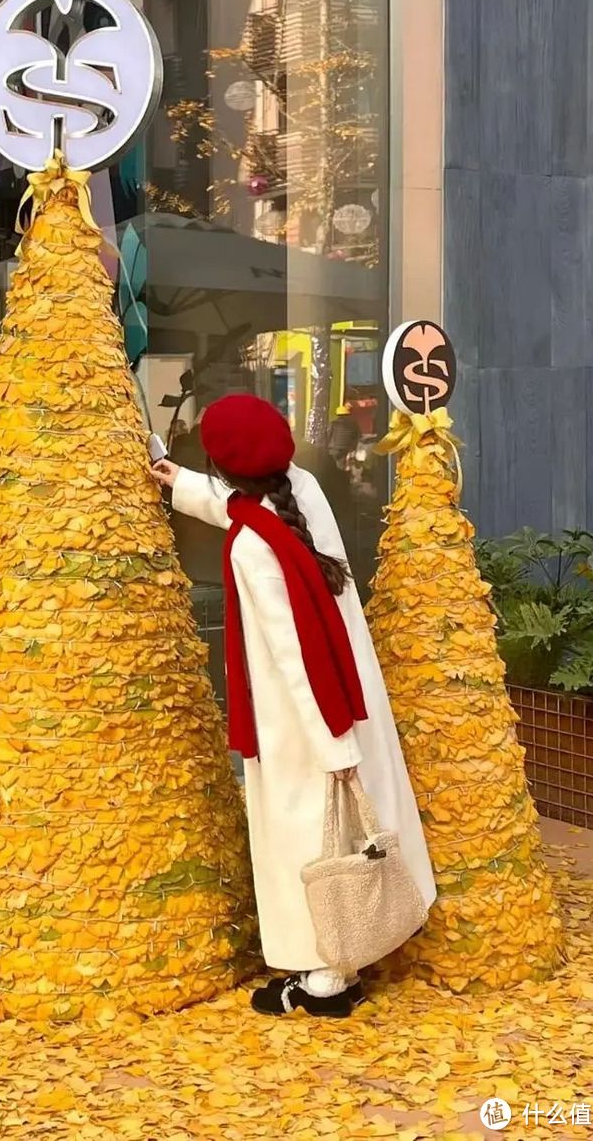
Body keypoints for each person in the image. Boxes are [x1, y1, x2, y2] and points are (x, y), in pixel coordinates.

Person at [151, 394, 435, 1018]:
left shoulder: (255, 548)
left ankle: (325, 979)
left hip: (304, 717)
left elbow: (293, 653)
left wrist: (332, 747)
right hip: (344, 692)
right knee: (341, 836)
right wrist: (187, 484)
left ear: (225, 468)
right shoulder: (301, 491)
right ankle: (340, 963)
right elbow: (248, 511)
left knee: (310, 841)